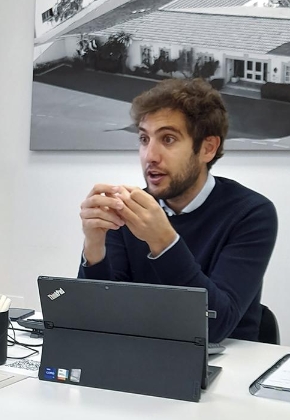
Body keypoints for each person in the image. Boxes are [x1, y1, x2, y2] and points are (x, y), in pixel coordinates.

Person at [78, 78, 277, 343]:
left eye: (168, 139)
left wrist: (164, 241)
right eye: (144, 138)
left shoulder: (252, 213)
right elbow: (94, 316)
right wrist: (94, 245)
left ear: (208, 148)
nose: (150, 155)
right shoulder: (128, 211)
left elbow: (216, 325)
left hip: (228, 368)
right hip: (142, 357)